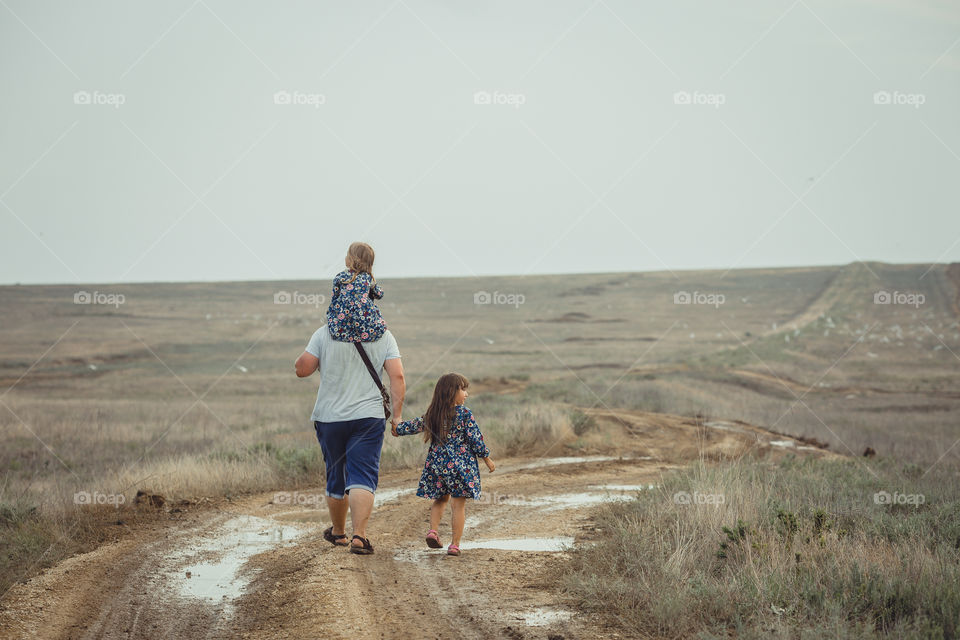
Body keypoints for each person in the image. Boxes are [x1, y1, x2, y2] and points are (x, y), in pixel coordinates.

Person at [295, 317, 404, 555]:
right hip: (368, 417)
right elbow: (397, 377)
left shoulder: (324, 333)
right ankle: (359, 537)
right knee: (362, 474)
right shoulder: (383, 334)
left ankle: (338, 532)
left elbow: (302, 370)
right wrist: (397, 417)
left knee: (336, 472)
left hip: (329, 418)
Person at [392, 373, 495, 556]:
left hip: (437, 465)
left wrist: (398, 428)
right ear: (451, 392)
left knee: (440, 499)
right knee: (458, 505)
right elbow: (475, 439)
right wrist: (486, 458)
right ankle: (454, 544)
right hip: (459, 467)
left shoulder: (434, 414)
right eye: (463, 389)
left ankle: (433, 531)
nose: (466, 394)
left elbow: (414, 425)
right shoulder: (464, 414)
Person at [326, 242, 387, 343]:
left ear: (353, 259)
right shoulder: (368, 278)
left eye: (347, 255)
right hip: (364, 321)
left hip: (342, 321)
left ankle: (344, 334)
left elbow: (334, 299)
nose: (345, 257)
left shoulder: (340, 277)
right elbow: (379, 295)